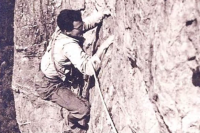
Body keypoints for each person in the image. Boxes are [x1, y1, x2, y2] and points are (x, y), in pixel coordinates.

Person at [35, 9, 114, 133]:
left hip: (50, 75)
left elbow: (83, 25)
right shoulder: (68, 46)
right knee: (83, 109)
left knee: (80, 100)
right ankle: (72, 128)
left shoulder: (64, 30)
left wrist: (101, 15)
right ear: (67, 31)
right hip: (49, 86)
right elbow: (89, 69)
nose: (82, 28)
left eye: (80, 24)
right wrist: (102, 48)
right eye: (79, 27)